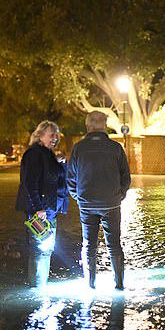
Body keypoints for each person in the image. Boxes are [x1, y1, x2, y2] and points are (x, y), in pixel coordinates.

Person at [67, 111, 131, 290]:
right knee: (114, 245)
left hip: (87, 204)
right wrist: (119, 196)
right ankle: (119, 284)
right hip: (111, 203)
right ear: (104, 126)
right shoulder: (116, 148)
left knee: (89, 245)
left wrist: (79, 198)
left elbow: (71, 179)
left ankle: (91, 284)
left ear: (88, 126)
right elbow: (126, 177)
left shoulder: (78, 148)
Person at [15, 120, 69, 287]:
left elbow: (59, 180)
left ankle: (40, 285)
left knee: (45, 250)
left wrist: (61, 163)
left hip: (49, 210)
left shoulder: (48, 154)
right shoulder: (34, 154)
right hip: (41, 211)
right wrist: (38, 208)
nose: (55, 137)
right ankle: (37, 287)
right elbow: (29, 183)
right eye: (51, 134)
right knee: (40, 250)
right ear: (39, 135)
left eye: (56, 134)